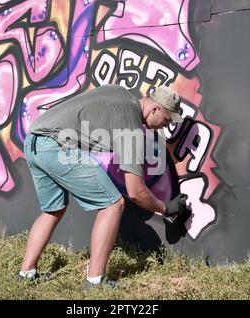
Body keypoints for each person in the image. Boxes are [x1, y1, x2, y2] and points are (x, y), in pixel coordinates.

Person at [18, 84, 187, 288]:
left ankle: (27, 273)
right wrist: (165, 208)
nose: (163, 126)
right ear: (155, 109)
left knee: (53, 209)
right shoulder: (131, 126)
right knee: (114, 205)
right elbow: (135, 191)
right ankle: (95, 280)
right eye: (166, 120)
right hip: (57, 147)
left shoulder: (119, 92)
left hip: (34, 141)